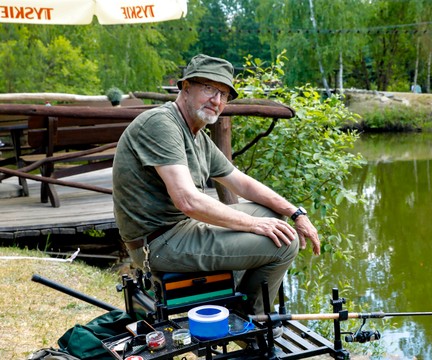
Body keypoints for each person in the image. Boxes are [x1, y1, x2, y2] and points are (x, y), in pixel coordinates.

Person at [112, 54, 320, 317]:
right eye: (209, 88)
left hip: (179, 230)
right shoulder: (161, 124)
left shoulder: (196, 134)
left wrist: (295, 213)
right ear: (185, 88)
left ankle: (237, 304)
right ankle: (253, 321)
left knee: (274, 216)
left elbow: (241, 183)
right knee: (284, 243)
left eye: (223, 94)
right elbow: (187, 201)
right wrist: (254, 225)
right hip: (157, 243)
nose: (217, 100)